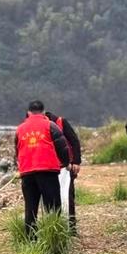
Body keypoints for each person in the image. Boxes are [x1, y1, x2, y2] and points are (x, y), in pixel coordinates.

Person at [15, 101, 70, 237]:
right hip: (47, 171)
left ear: (28, 113)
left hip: (27, 173)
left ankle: (30, 240)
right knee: (52, 207)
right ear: (44, 112)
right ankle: (54, 239)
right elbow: (63, 147)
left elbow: (17, 150)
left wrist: (21, 166)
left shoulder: (20, 129)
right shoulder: (50, 125)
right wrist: (65, 162)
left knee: (30, 209)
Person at [45, 109, 82, 233]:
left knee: (68, 196)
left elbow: (74, 141)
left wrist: (76, 161)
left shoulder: (61, 122)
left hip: (66, 167)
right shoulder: (39, 127)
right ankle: (53, 227)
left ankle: (71, 228)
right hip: (48, 167)